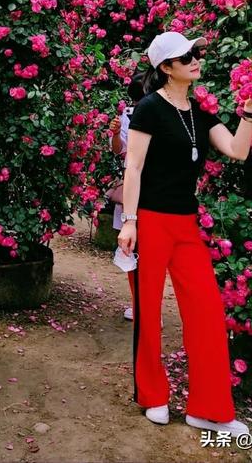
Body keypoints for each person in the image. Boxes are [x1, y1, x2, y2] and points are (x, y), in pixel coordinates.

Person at [117, 31, 252, 437]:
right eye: (186, 56)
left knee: (206, 313)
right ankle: (152, 395)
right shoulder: (148, 109)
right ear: (166, 68)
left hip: (185, 224)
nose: (195, 59)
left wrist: (249, 112)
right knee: (147, 312)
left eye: (196, 52)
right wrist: (129, 220)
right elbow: (133, 167)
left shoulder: (201, 114)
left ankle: (209, 409)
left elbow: (237, 150)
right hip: (149, 219)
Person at [108, 72, 145, 321]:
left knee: (146, 252)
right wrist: (113, 133)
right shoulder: (128, 115)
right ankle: (139, 304)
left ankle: (147, 306)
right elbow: (118, 150)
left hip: (153, 188)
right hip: (133, 185)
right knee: (132, 251)